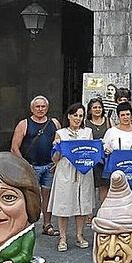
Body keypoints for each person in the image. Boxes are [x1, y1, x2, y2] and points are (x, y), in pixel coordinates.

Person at [10, 95, 61, 237]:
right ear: (32, 108)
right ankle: (25, 226)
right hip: (31, 167)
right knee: (28, 197)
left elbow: (60, 145)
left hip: (49, 166)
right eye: (37, 107)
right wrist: (25, 165)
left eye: (43, 106)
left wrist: (57, 162)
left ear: (47, 108)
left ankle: (47, 224)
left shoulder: (54, 123)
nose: (40, 109)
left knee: (48, 197)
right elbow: (14, 148)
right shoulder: (24, 124)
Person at [49, 103, 94, 252]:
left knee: (81, 202)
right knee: (64, 203)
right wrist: (57, 147)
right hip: (65, 170)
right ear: (69, 116)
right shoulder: (61, 133)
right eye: (75, 115)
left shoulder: (87, 132)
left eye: (80, 116)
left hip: (83, 170)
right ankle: (62, 237)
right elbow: (55, 158)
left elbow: (91, 151)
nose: (78, 118)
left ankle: (79, 235)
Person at [102, 102, 132, 196]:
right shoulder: (111, 131)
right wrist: (106, 149)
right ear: (118, 117)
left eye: (127, 114)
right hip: (116, 169)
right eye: (122, 115)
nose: (125, 117)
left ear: (131, 115)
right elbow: (104, 147)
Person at [85, 97, 112, 206]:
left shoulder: (108, 121)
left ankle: (103, 210)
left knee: (104, 185)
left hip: (104, 159)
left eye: (99, 107)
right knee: (89, 186)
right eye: (94, 107)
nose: (97, 109)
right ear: (90, 110)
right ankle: (89, 214)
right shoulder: (85, 123)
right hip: (90, 158)